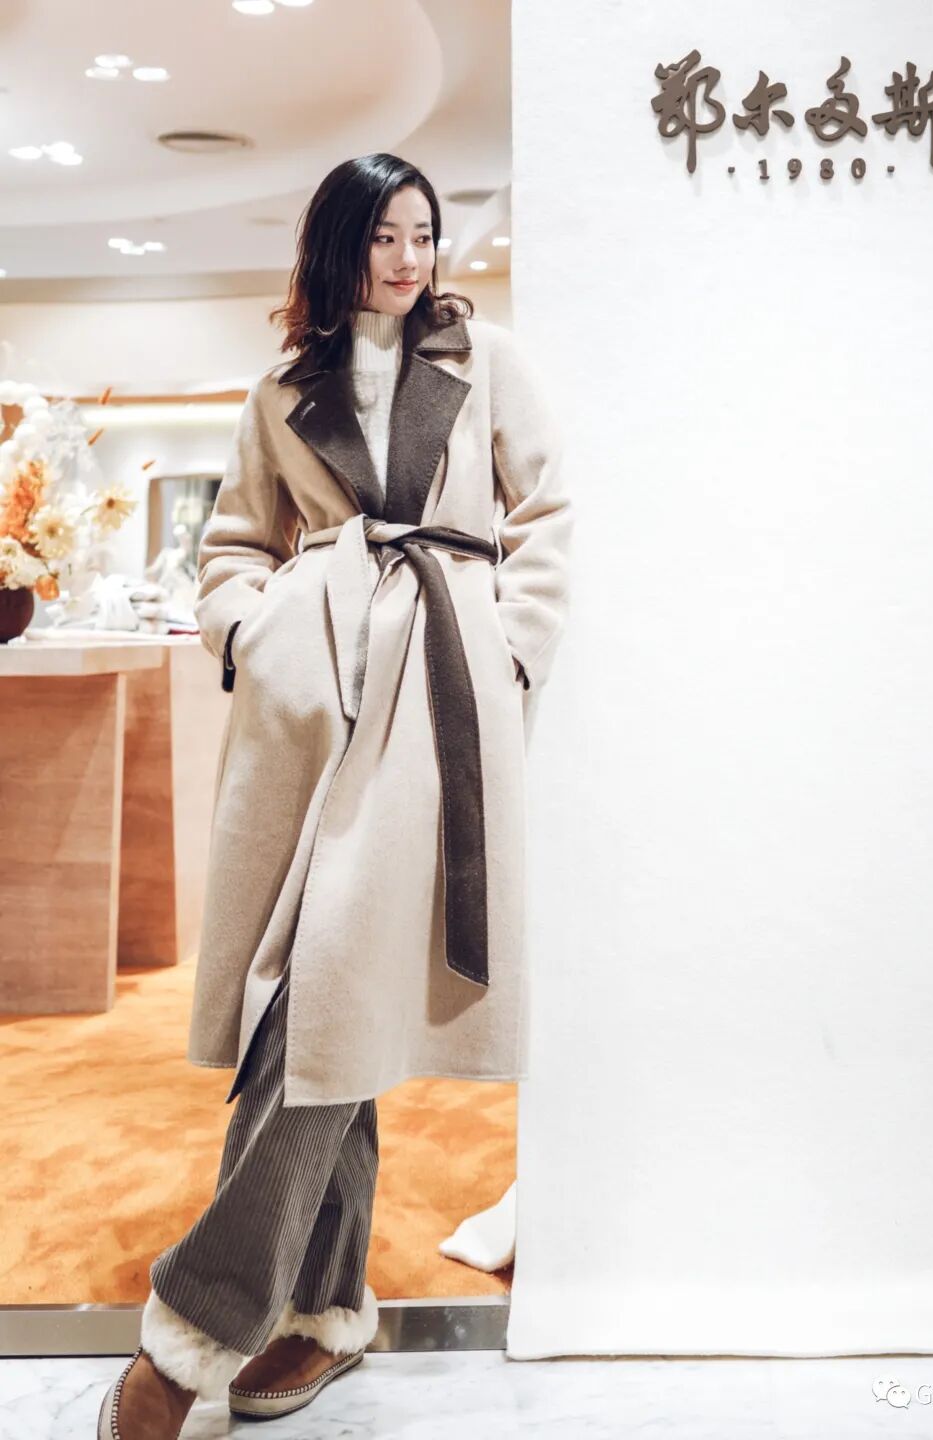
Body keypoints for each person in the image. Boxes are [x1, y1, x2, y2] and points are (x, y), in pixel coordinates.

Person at [97, 151, 573, 1439]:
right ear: (339, 245)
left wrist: (509, 647)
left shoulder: (487, 361)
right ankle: (323, 1311)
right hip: (308, 719)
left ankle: (191, 1336)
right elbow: (232, 543)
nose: (410, 259)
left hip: (431, 709)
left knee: (317, 1008)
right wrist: (254, 634)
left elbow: (546, 513)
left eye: (425, 234)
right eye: (385, 236)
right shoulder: (280, 392)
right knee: (316, 1010)